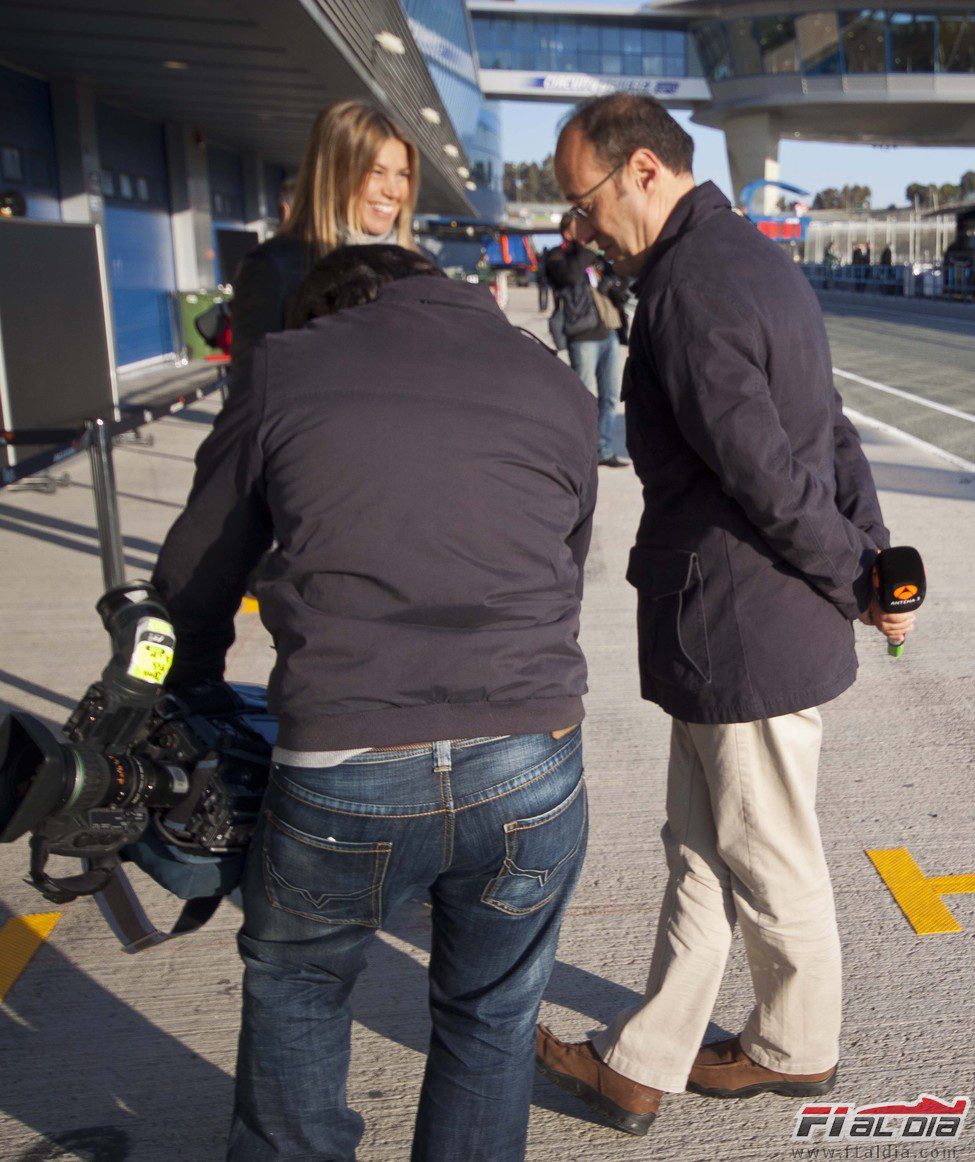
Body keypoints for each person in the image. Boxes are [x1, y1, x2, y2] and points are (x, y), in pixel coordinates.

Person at [150, 245, 598, 1161]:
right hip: (529, 752)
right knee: (492, 1017)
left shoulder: (286, 368)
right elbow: (567, 554)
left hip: (345, 753)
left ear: (323, 311)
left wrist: (191, 694)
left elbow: (196, 577)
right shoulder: (550, 380)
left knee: (299, 989)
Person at [534, 93, 916, 1137]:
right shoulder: (757, 259)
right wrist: (873, 562)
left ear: (645, 169)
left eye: (585, 201)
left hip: (741, 624)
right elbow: (830, 432)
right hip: (749, 620)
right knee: (703, 847)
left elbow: (771, 477)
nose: (578, 227)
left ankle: (798, 1046)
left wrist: (856, 578)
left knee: (767, 851)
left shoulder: (689, 291)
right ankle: (642, 1062)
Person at [229, 99, 420, 378]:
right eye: (376, 172)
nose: (393, 191)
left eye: (402, 175)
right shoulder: (275, 268)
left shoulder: (420, 264)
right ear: (335, 173)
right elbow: (252, 394)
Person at [545, 212, 629, 468]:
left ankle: (601, 449)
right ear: (567, 232)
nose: (588, 231)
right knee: (583, 397)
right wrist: (587, 246)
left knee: (610, 396)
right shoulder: (557, 256)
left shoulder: (596, 257)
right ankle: (578, 451)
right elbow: (569, 276)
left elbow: (621, 275)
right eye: (580, 227)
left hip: (608, 333)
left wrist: (613, 285)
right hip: (582, 336)